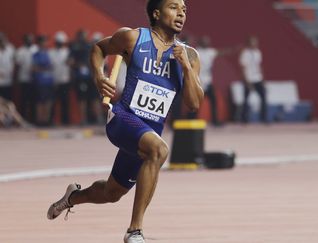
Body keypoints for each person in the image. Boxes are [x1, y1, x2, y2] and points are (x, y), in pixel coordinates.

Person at [47, 1, 203, 243]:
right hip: (123, 118)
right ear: (157, 13)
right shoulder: (133, 38)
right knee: (160, 150)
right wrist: (99, 77)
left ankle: (72, 197)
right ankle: (134, 231)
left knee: (112, 192)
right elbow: (98, 48)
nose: (181, 12)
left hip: (149, 132)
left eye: (184, 9)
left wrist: (185, 67)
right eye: (174, 7)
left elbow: (194, 103)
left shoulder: (189, 55)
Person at [195, 36, 226, 126]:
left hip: (208, 82)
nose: (207, 43)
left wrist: (234, 49)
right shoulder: (196, 51)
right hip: (199, 82)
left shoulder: (210, 52)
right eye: (205, 41)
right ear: (201, 42)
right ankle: (192, 120)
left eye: (208, 41)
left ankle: (215, 121)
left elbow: (221, 52)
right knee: (195, 103)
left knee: (213, 101)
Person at [239, 36, 268, 123]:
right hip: (249, 79)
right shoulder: (245, 53)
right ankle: (244, 119)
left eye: (256, 42)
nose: (255, 44)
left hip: (257, 78)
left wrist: (262, 78)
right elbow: (243, 67)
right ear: (249, 43)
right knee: (246, 99)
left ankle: (263, 118)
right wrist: (246, 80)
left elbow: (259, 65)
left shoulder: (258, 52)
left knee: (263, 97)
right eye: (253, 42)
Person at [49, 31, 72, 125]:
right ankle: (51, 121)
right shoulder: (51, 52)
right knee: (52, 102)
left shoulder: (68, 52)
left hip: (65, 80)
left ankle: (65, 121)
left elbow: (70, 66)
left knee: (65, 102)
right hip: (54, 81)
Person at [15, 33, 38, 122]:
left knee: (34, 100)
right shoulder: (20, 51)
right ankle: (23, 119)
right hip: (24, 78)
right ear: (24, 40)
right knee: (23, 100)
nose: (29, 41)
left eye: (31, 39)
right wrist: (16, 79)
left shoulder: (36, 49)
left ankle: (33, 119)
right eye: (28, 39)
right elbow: (17, 66)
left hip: (35, 79)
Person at [32, 35, 54, 126]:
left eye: (46, 41)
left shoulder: (49, 53)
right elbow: (35, 68)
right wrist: (45, 68)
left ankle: (47, 120)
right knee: (40, 102)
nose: (45, 43)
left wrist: (45, 68)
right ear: (39, 43)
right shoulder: (36, 54)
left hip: (49, 81)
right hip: (40, 81)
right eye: (43, 41)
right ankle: (40, 121)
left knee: (49, 101)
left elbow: (52, 66)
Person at [0, 32, 15, 101]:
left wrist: (12, 71)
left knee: (8, 101)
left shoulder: (11, 49)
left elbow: (13, 61)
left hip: (8, 81)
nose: (2, 41)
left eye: (3, 39)